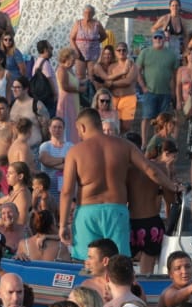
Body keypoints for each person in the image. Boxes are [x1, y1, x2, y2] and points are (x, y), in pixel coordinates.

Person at [60, 109, 157, 259]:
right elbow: (150, 170)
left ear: (83, 127)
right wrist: (172, 185)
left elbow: (67, 192)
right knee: (118, 262)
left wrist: (63, 224)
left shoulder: (75, 152)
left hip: (87, 211)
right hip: (116, 210)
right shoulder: (124, 145)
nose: (79, 134)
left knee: (87, 262)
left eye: (78, 129)